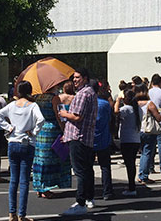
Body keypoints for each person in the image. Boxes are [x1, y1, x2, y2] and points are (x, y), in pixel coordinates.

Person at [0, 81, 45, 221]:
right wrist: (34, 132)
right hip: (27, 143)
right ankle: (22, 215)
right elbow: (41, 119)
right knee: (24, 181)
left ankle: (12, 213)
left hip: (13, 142)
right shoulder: (33, 105)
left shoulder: (12, 105)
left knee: (13, 180)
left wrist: (9, 127)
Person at [59, 68, 98, 216]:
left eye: (78, 77)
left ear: (85, 78)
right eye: (74, 78)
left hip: (78, 136)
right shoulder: (91, 93)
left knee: (80, 171)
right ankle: (89, 197)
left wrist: (64, 113)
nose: (75, 80)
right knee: (87, 169)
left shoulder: (83, 94)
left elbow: (77, 117)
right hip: (86, 137)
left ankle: (81, 202)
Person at [32, 83, 71, 198]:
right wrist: (64, 130)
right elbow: (59, 116)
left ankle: (39, 186)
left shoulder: (36, 98)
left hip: (40, 130)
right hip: (51, 130)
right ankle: (46, 188)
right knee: (51, 159)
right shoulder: (55, 98)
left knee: (40, 158)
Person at [114, 89, 141, 196]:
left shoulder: (126, 109)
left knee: (129, 164)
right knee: (132, 163)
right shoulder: (137, 109)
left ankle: (131, 187)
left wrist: (118, 100)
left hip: (127, 140)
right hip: (135, 139)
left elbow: (116, 111)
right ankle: (131, 185)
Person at [135, 83, 161, 183]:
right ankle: (143, 175)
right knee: (147, 153)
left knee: (143, 152)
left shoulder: (134, 103)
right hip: (148, 130)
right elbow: (158, 117)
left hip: (138, 130)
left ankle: (141, 174)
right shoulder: (149, 104)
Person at [92, 82, 113, 201]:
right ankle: (107, 191)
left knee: (88, 167)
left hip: (90, 139)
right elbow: (110, 119)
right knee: (105, 166)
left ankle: (90, 192)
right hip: (103, 138)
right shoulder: (105, 104)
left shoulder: (87, 104)